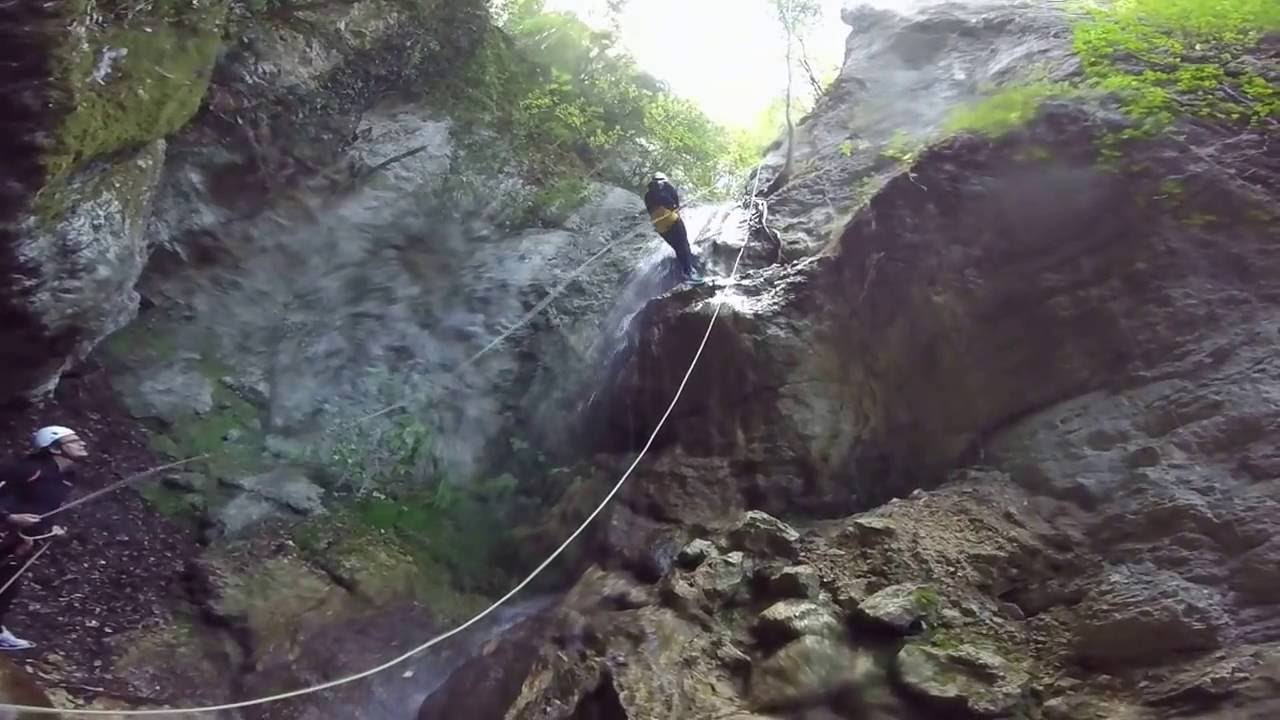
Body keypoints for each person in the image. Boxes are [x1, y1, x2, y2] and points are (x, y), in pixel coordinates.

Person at [0, 426, 79, 651]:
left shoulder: (67, 478)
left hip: (20, 540)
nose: (81, 444)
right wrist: (10, 517)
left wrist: (51, 527)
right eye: (73, 441)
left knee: (7, 585)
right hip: (4, 529)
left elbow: (45, 508)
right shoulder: (28, 470)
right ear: (54, 448)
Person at [643, 173, 702, 282]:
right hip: (670, 217)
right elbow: (674, 202)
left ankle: (684, 271)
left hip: (659, 225)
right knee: (683, 244)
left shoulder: (647, 195)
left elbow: (650, 209)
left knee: (676, 247)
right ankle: (689, 272)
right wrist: (675, 208)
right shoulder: (667, 186)